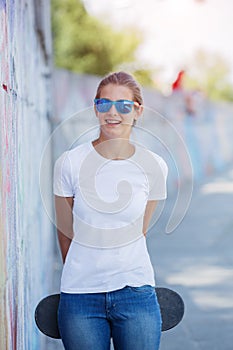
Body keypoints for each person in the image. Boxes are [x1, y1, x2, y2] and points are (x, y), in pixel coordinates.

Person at [53, 71, 168, 350]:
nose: (113, 112)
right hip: (80, 297)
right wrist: (86, 269)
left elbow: (139, 231)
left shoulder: (154, 166)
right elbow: (65, 232)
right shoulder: (70, 163)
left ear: (137, 111)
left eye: (124, 105)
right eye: (104, 104)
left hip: (135, 293)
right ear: (95, 108)